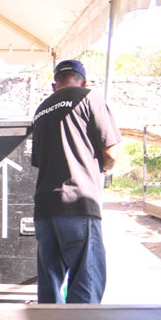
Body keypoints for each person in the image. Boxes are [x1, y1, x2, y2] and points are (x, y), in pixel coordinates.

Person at [30, 60, 121, 304]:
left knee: (49, 286)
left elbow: (39, 161)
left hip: (44, 208)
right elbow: (111, 152)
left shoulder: (41, 110)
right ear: (83, 82)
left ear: (54, 85)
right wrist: (105, 169)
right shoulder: (89, 97)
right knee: (86, 282)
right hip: (78, 202)